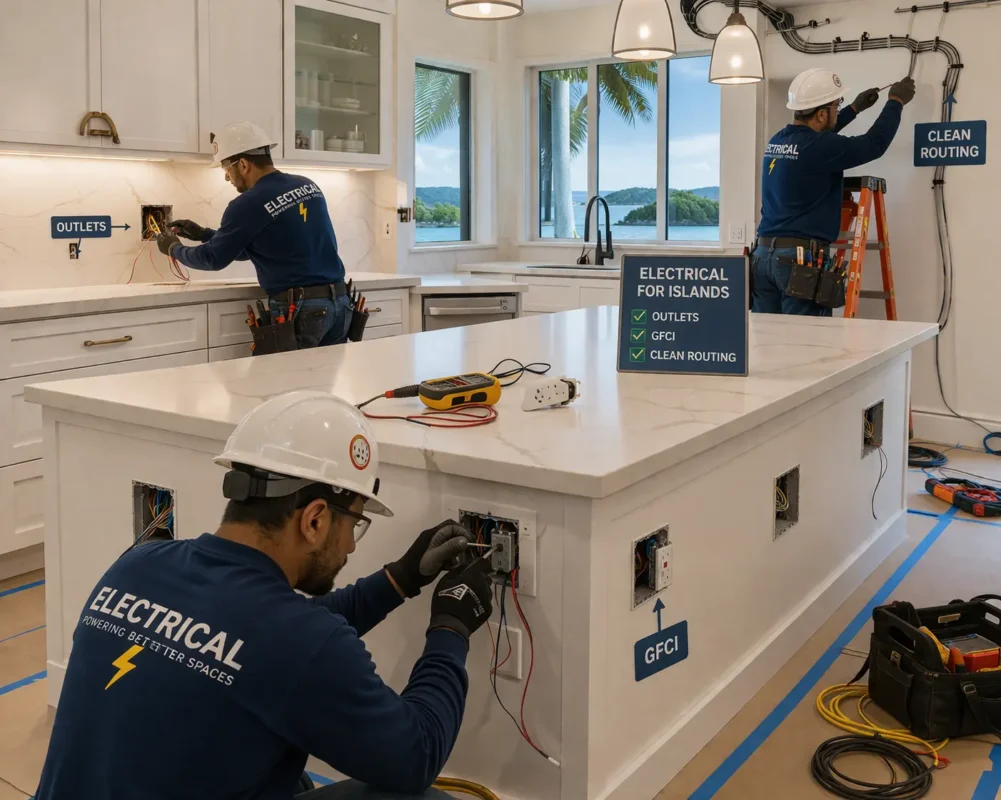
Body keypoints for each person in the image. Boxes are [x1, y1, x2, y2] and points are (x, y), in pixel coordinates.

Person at [35, 391, 495, 800]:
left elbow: (262, 644)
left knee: (286, 768)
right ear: (314, 519)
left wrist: (400, 578)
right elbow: (417, 754)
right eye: (354, 523)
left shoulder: (139, 563)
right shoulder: (299, 642)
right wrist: (450, 627)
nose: (353, 544)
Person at [156, 122, 353, 348]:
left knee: (281, 382)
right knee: (323, 381)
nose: (227, 178)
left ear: (243, 164)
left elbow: (213, 259)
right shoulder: (308, 186)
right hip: (340, 306)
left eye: (226, 168)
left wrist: (173, 248)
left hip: (302, 311)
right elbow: (262, 248)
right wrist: (204, 234)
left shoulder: (247, 203)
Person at [752, 68, 916, 316]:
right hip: (797, 263)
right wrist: (896, 102)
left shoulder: (779, 140)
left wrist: (854, 109)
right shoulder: (820, 147)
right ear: (820, 113)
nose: (838, 110)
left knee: (767, 345)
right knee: (807, 346)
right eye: (835, 106)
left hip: (762, 259)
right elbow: (874, 144)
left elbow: (817, 139)